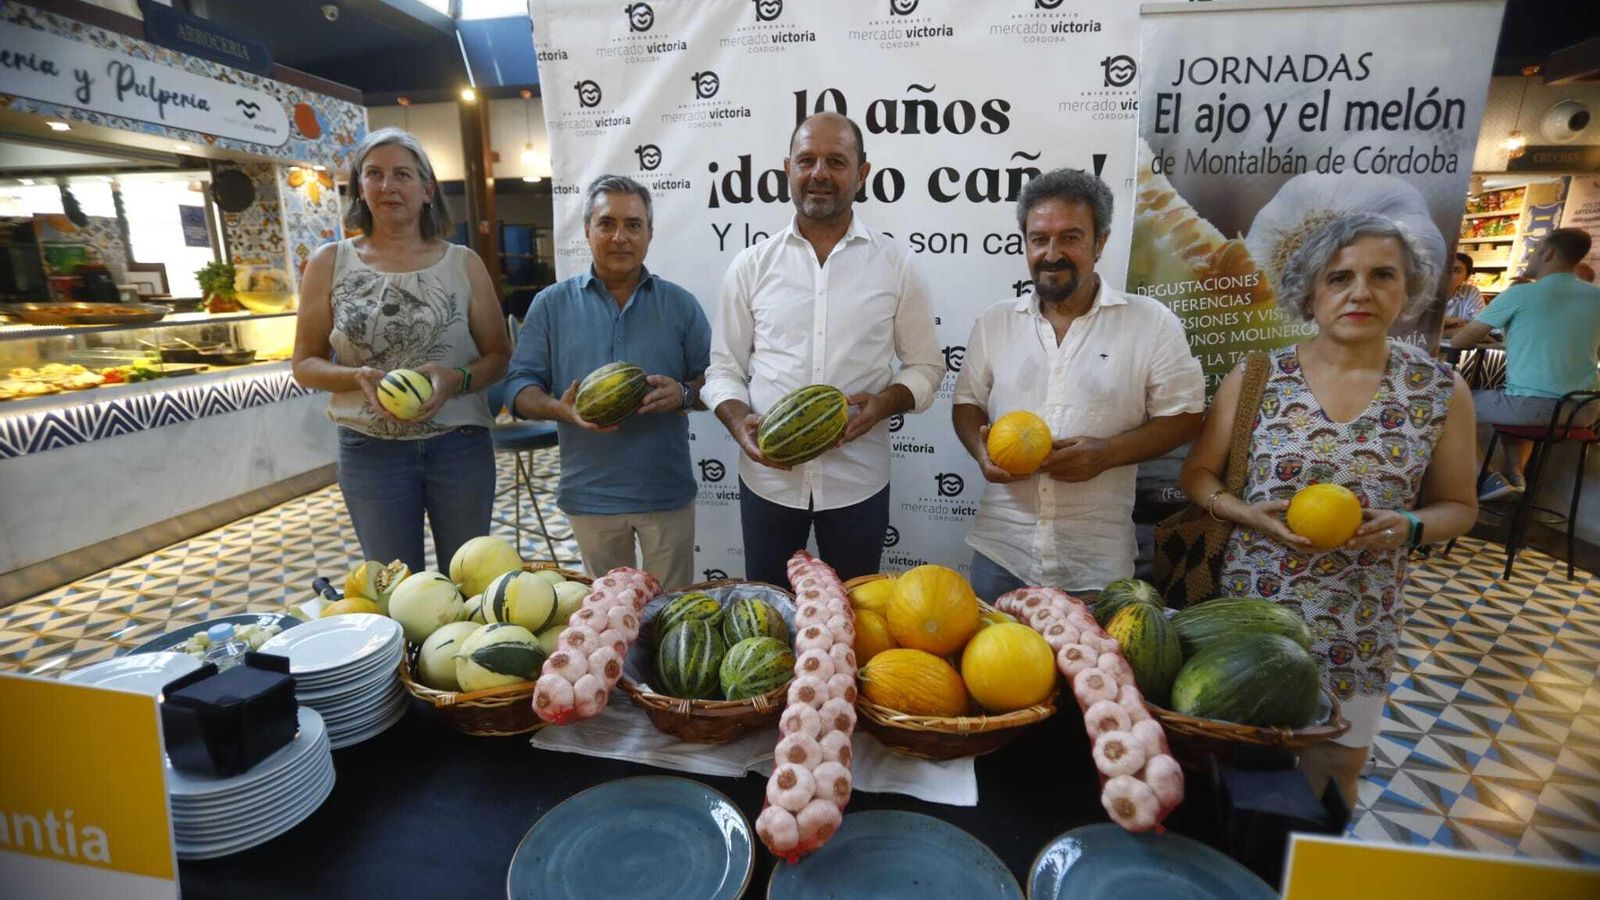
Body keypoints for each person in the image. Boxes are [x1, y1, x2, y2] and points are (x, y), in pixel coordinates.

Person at [1178, 212, 1478, 806]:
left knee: (1336, 767)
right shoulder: (1261, 375)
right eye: (1339, 278)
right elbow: (1197, 474)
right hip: (1249, 617)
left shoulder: (1438, 390)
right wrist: (1245, 513)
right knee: (1229, 766)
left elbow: (1460, 506)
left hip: (1359, 623)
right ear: (1310, 291)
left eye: (1381, 275)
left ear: (1408, 288)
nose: (1360, 292)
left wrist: (1410, 526)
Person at [702, 112, 943, 585]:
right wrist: (738, 425)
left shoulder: (896, 265)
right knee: (769, 618)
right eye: (807, 160)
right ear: (787, 169)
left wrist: (885, 404)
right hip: (769, 481)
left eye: (836, 161)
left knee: (856, 620)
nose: (819, 174)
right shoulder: (751, 265)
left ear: (862, 174)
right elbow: (723, 370)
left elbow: (927, 366)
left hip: (859, 482)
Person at [952, 169, 1205, 599]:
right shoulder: (996, 322)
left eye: (1070, 237)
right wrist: (981, 451)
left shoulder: (1151, 323)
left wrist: (1108, 454)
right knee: (992, 668)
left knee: (1086, 668)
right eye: (1039, 239)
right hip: (1001, 556)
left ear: (1100, 242)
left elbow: (1184, 417)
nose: (1052, 253)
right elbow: (966, 403)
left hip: (1096, 566)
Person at [292, 127, 510, 573]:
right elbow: (304, 364)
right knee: (396, 586)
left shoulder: (463, 263)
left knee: (469, 578)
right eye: (374, 174)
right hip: (370, 451)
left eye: (402, 175)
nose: (388, 186)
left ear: (427, 190)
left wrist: (456, 380)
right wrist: (356, 377)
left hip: (458, 445)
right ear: (360, 188)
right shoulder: (329, 262)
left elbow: (498, 356)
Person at [502, 176, 710, 590]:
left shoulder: (680, 304)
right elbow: (518, 390)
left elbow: (718, 382)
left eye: (633, 225)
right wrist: (560, 409)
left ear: (650, 233)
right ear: (586, 231)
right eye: (606, 223)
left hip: (664, 493)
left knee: (668, 618)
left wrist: (684, 393)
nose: (620, 237)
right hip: (590, 496)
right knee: (607, 620)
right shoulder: (551, 304)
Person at [1454, 228, 1600, 501]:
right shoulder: (1597, 297)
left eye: (1533, 250)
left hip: (1533, 408)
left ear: (1548, 252)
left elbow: (1462, 341)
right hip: (1585, 411)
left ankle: (1485, 478)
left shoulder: (1521, 294)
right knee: (1511, 396)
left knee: (1445, 403)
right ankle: (1514, 475)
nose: (1529, 257)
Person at [1440, 252, 1484, 338]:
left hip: (1453, 348)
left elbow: (1481, 326)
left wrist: (1442, 327)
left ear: (1466, 276)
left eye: (1456, 270)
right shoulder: (1422, 290)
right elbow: (1417, 328)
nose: (1448, 274)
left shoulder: (1470, 292)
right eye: (1444, 269)